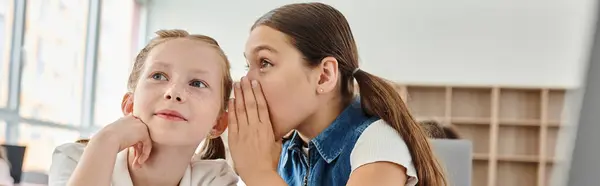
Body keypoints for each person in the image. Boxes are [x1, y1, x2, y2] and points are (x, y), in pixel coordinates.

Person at [227, 2, 447, 186]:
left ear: (324, 75)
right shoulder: (284, 152)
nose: (247, 81)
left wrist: (259, 174)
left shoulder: (378, 143)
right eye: (248, 66)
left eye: (265, 62)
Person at [48, 29, 238, 186]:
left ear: (218, 123)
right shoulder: (75, 159)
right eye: (159, 76)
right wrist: (107, 139)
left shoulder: (215, 179)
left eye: (197, 83)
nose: (174, 92)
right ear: (130, 105)